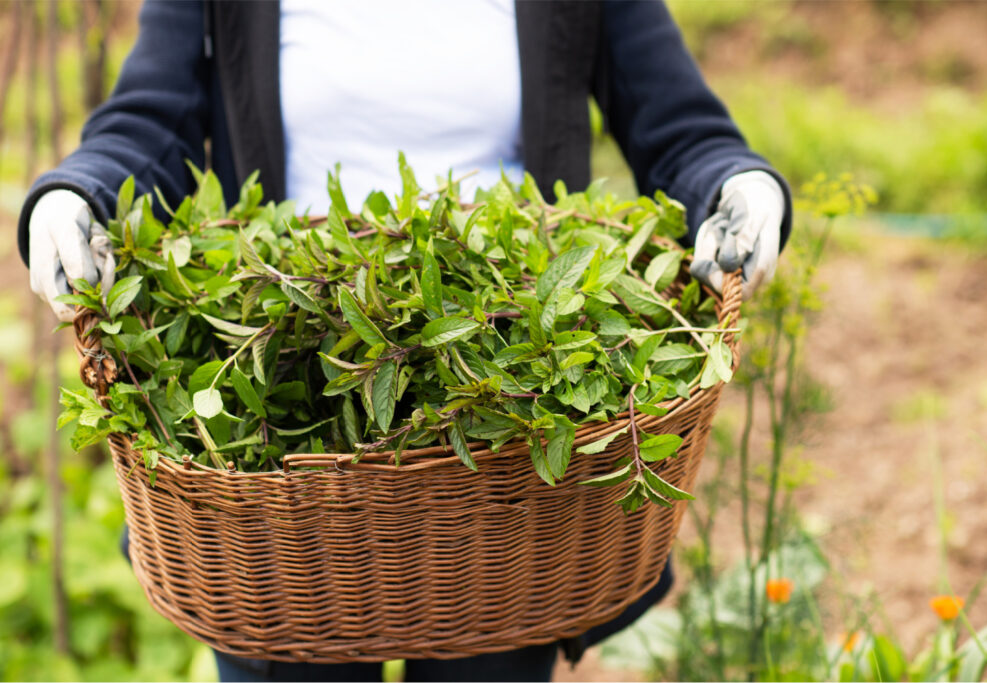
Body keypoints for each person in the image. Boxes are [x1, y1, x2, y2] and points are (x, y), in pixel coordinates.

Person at [19, 1, 791, 681]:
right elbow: (152, 120)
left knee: (490, 661)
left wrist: (739, 185)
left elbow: (678, 126)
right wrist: (74, 193)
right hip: (292, 382)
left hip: (508, 403)